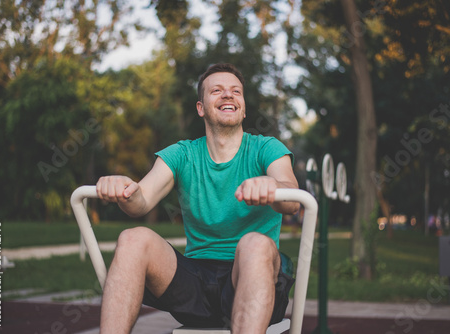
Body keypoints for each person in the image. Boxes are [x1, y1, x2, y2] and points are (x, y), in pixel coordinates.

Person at [96, 63, 300, 334]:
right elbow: (140, 200)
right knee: (133, 239)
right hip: (196, 286)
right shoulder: (183, 154)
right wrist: (123, 190)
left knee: (254, 244)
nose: (228, 95)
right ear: (201, 107)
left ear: (243, 107)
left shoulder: (266, 148)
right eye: (217, 90)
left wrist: (273, 187)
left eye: (235, 91)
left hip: (252, 280)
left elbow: (292, 199)